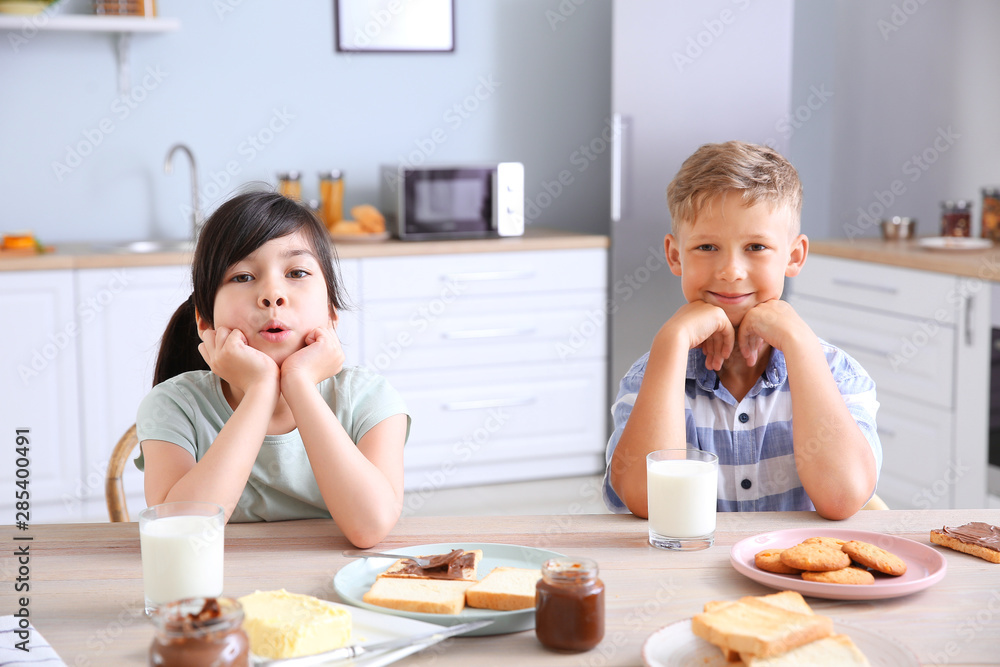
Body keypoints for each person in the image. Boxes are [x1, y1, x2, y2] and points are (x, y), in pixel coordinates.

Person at [603, 141, 881, 521]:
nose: (731, 271)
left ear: (794, 256)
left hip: (795, 579)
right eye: (706, 246)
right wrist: (672, 340)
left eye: (755, 246)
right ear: (674, 255)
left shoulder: (838, 374)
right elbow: (650, 503)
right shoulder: (652, 376)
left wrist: (799, 343)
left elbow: (843, 497)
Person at [136, 190, 410, 548]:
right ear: (205, 321)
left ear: (331, 313)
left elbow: (370, 527)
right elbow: (180, 535)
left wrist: (298, 383)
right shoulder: (174, 405)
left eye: (296, 272)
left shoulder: (369, 399)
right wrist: (261, 389)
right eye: (242, 276)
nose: (272, 294)